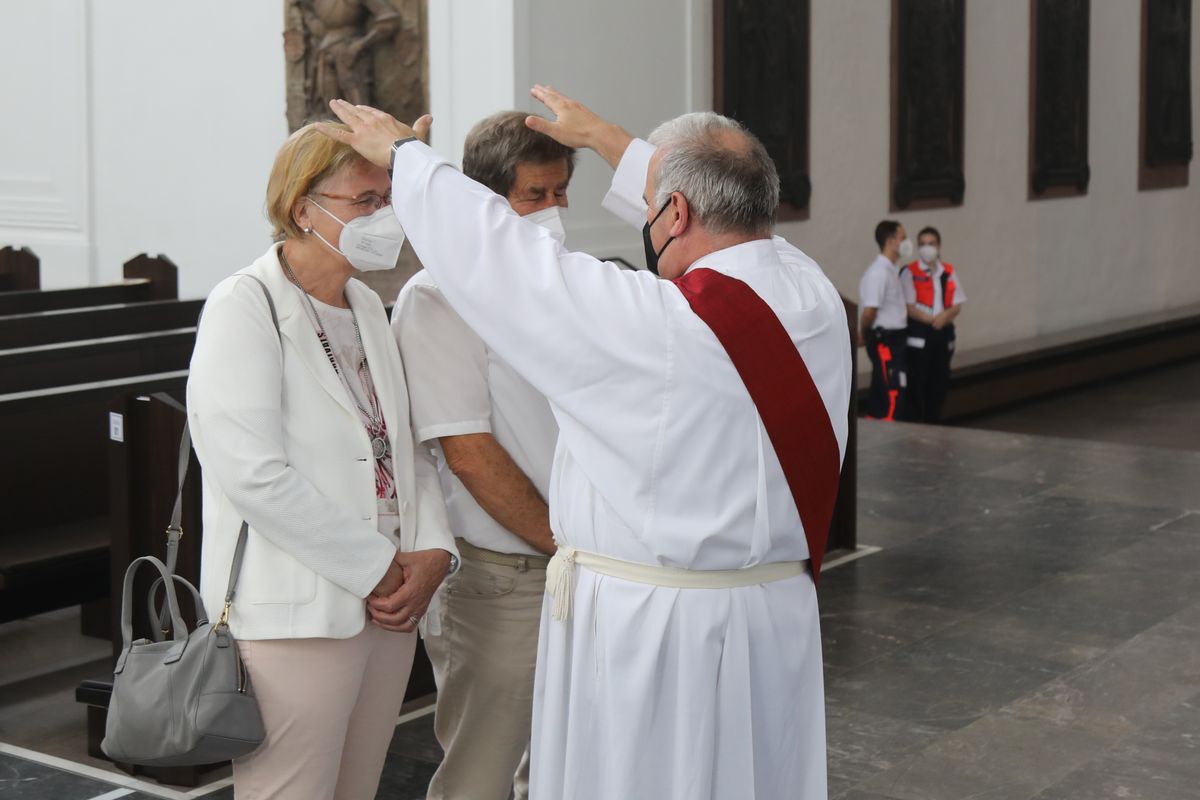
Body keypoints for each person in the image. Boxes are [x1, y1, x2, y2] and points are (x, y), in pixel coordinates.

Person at [320, 86, 851, 800]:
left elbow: (503, 258)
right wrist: (611, 140)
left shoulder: (654, 323)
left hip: (656, 633)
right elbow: (714, 212)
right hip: (770, 616)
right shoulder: (809, 293)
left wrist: (408, 158)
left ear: (674, 213)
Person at [186, 121, 459, 800]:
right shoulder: (243, 305)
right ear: (304, 208)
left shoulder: (365, 302)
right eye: (364, 201)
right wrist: (376, 566)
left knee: (355, 789)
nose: (383, 216)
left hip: (388, 606)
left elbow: (399, 443)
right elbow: (251, 473)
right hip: (299, 613)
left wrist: (432, 551)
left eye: (388, 198)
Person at [391, 111, 574, 800]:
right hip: (503, 572)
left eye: (561, 193)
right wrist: (566, 542)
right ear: (488, 200)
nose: (553, 211)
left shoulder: (559, 283)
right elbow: (467, 453)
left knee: (554, 763)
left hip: (567, 557)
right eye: (536, 195)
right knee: (482, 773)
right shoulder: (437, 299)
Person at [900, 226, 966, 423]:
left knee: (939, 383)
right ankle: (917, 427)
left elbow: (957, 303)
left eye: (931, 244)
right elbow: (909, 307)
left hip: (942, 334)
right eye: (922, 244)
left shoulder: (948, 271)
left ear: (939, 246)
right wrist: (932, 320)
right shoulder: (910, 272)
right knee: (917, 385)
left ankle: (934, 422)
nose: (926, 248)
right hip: (919, 337)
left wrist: (945, 317)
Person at [858, 220, 911, 421]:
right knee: (891, 393)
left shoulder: (891, 270)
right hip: (885, 341)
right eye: (903, 237)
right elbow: (870, 311)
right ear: (890, 241)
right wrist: (865, 332)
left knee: (887, 389)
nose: (906, 242)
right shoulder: (878, 273)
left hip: (896, 341)